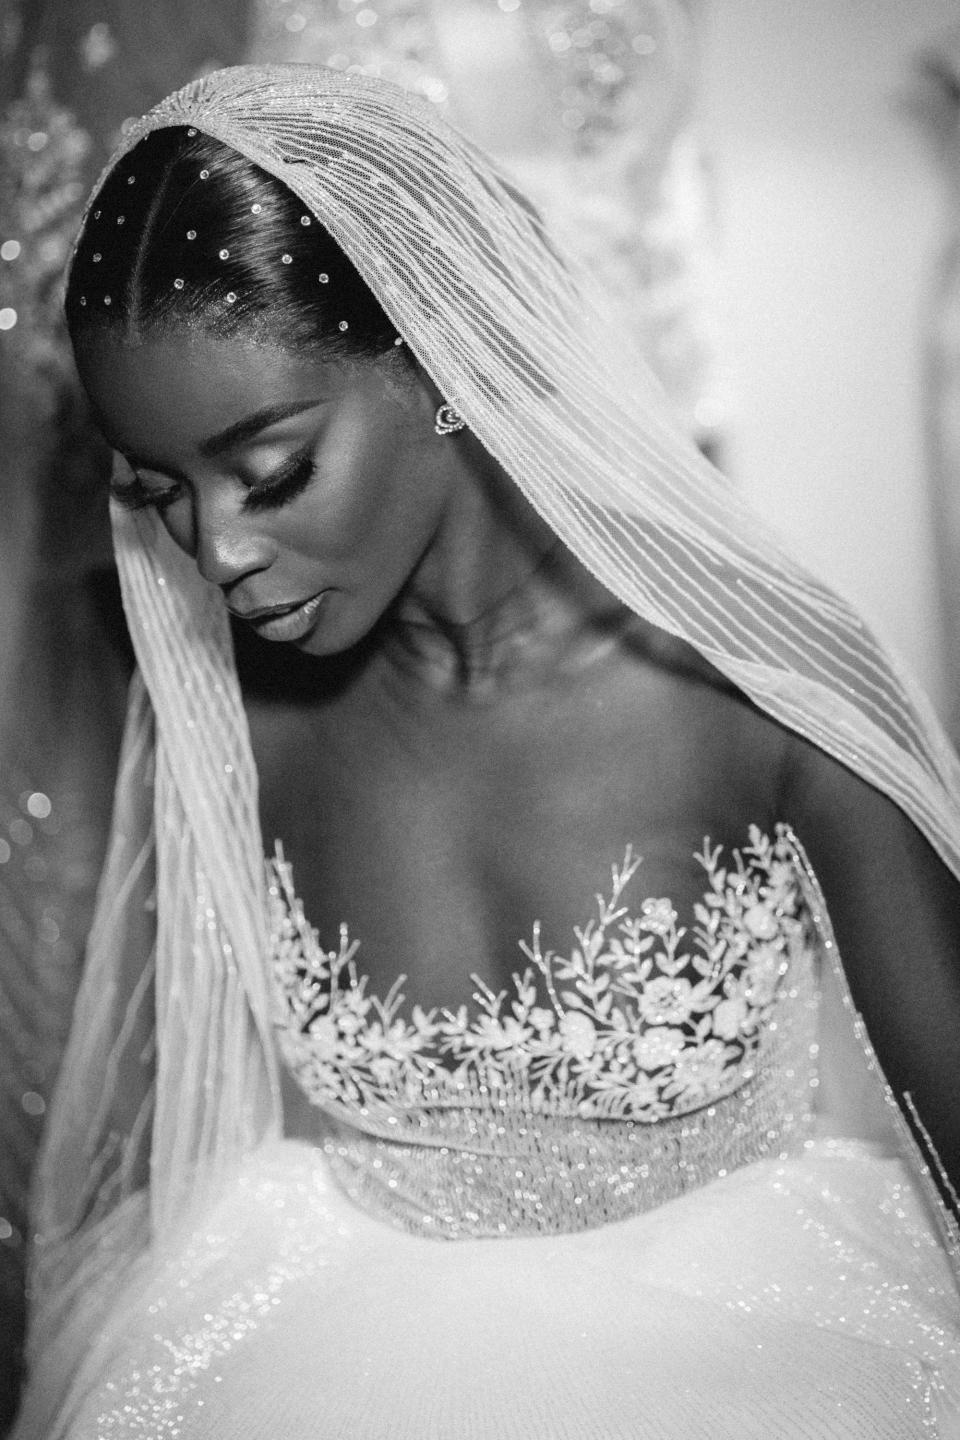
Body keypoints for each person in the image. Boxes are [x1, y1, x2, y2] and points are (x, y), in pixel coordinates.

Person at [11, 62, 960, 1438]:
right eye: (162, 493)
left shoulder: (747, 688)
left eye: (270, 472)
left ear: (436, 354)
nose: (216, 552)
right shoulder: (239, 715)